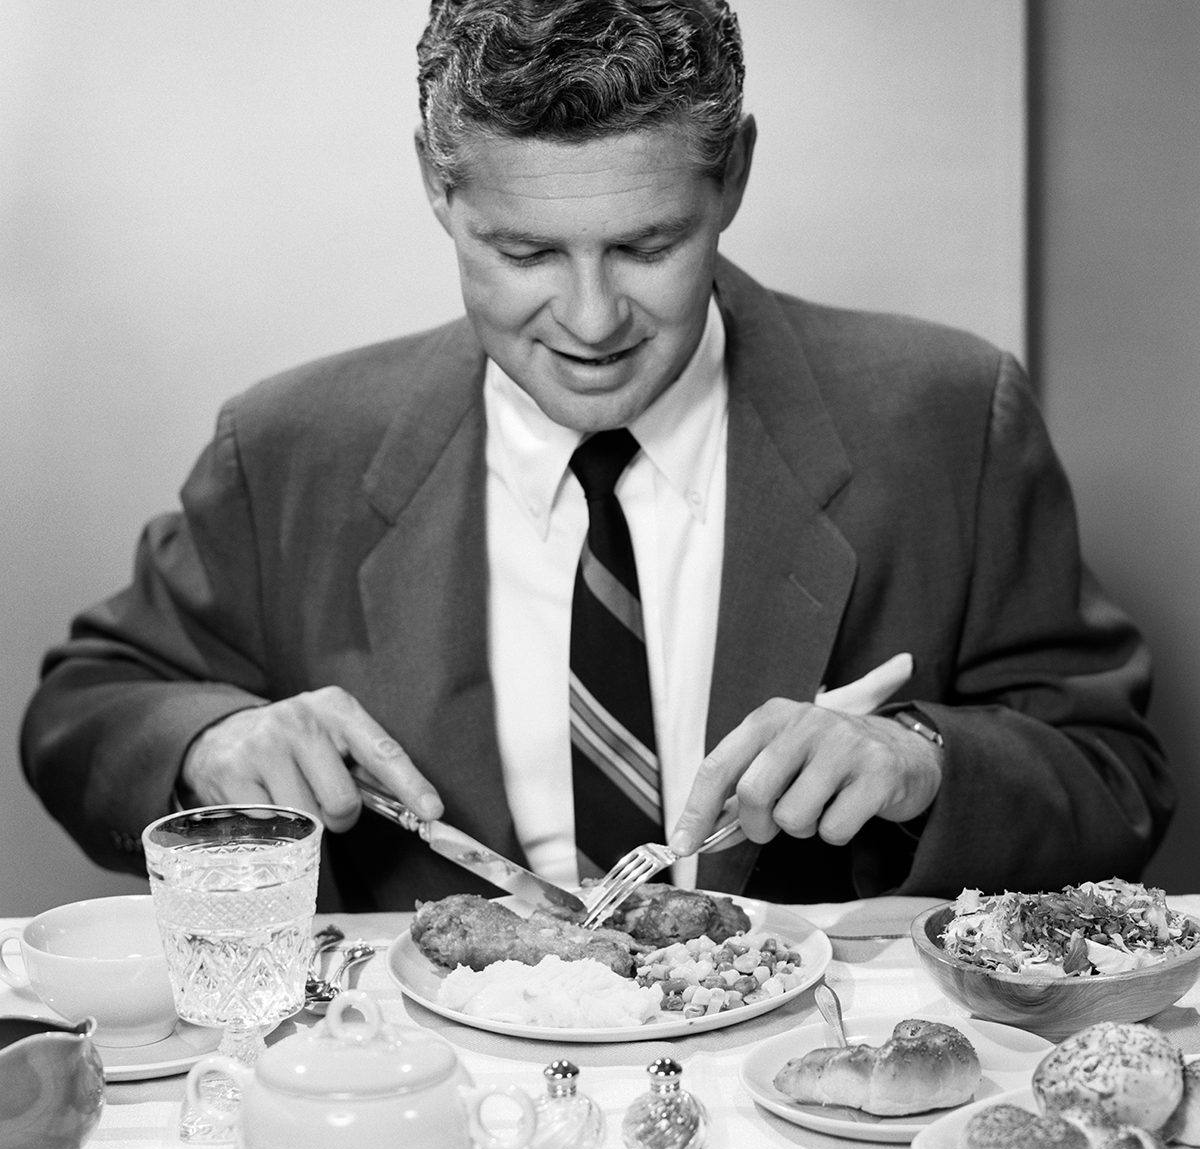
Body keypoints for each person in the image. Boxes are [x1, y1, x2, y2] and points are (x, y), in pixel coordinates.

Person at [21, 0, 1174, 912]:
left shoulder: (950, 418)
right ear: (437, 187)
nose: (587, 318)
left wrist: (924, 763)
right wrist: (214, 743)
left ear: (733, 179)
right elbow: (84, 712)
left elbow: (1117, 784)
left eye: (646, 245)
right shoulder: (287, 448)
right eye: (524, 250)